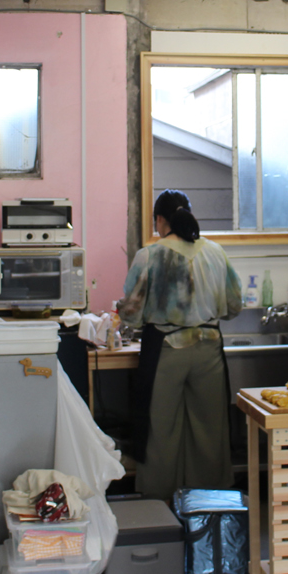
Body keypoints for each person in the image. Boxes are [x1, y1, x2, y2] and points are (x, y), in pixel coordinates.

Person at [119, 190, 242, 501]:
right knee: (209, 429)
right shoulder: (215, 252)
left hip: (166, 351)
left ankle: (160, 502)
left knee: (161, 429)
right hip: (209, 349)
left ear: (160, 220)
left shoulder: (149, 255)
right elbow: (233, 307)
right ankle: (208, 504)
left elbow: (131, 313)